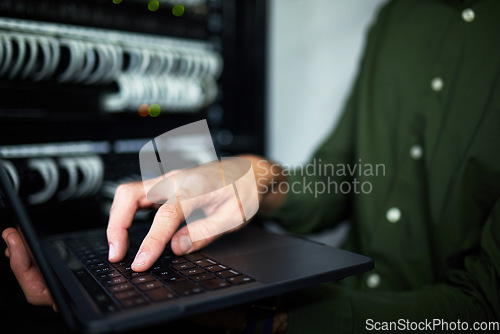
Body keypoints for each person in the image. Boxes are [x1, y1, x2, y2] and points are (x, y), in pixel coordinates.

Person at [3, 0, 500, 332]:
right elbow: (336, 183)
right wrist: (254, 175)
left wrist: (271, 319)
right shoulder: (399, 17)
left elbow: (485, 310)